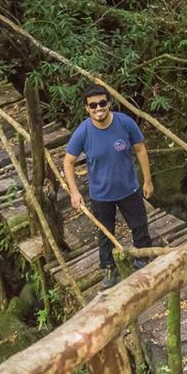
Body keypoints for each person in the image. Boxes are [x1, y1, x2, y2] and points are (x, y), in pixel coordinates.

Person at [63, 84, 155, 288]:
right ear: (87, 108)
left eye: (102, 103)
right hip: (100, 194)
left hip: (129, 188)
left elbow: (140, 149)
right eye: (93, 105)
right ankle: (109, 268)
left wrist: (147, 181)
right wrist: (74, 192)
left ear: (109, 103)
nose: (98, 108)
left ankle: (143, 257)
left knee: (139, 225)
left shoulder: (125, 124)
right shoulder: (83, 132)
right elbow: (68, 162)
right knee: (105, 234)